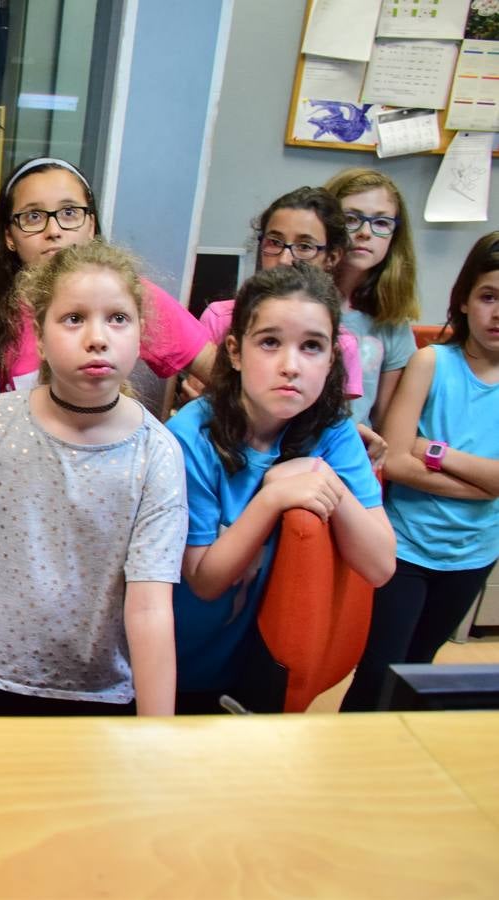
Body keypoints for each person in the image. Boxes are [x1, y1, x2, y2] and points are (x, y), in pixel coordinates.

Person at [0, 242, 186, 716]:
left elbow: (151, 606)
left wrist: (159, 737)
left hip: (95, 692)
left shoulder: (157, 455)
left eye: (117, 319)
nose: (97, 337)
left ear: (140, 334)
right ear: (41, 336)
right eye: (74, 319)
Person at [168, 263, 395, 713]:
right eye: (270, 342)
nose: (290, 366)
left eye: (312, 347)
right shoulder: (190, 436)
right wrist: (272, 497)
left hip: (265, 664)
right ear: (234, 351)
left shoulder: (332, 430)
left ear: (332, 359)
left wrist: (325, 479)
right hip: (179, 664)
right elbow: (206, 580)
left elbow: (380, 564)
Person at [340, 232, 499, 711]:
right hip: (407, 549)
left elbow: (418, 455)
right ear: (465, 300)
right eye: (489, 296)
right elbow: (397, 459)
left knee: (419, 673)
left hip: (473, 554)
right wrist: (483, 483)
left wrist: (434, 451)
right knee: (377, 672)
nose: (497, 313)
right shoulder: (431, 363)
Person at [0, 156, 216, 395]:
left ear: (91, 225)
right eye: (34, 216)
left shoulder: (125, 295)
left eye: (69, 213)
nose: (54, 230)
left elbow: (218, 371)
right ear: (9, 237)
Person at [197, 186, 371, 461]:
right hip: (221, 455)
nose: (285, 258)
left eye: (304, 246)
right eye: (274, 242)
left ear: (332, 257)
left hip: (301, 461)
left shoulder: (342, 343)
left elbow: (332, 426)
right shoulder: (219, 318)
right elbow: (197, 400)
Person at [324, 168, 420, 435]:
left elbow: (384, 423)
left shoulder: (392, 323)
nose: (365, 232)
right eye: (351, 219)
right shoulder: (297, 302)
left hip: (353, 455)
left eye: (381, 223)